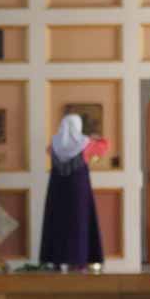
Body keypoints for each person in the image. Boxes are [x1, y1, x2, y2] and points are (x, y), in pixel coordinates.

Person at [38, 112, 104, 269]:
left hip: (57, 192)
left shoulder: (53, 144)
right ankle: (78, 261)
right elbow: (103, 148)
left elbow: (48, 151)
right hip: (78, 192)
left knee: (57, 223)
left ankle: (56, 261)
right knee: (79, 223)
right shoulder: (86, 143)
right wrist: (97, 138)